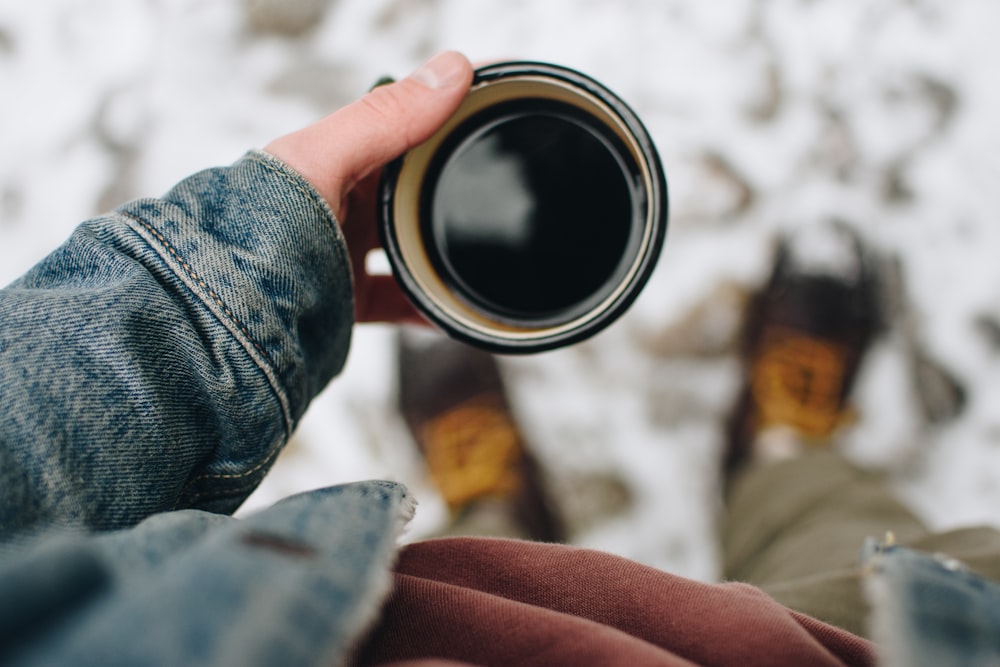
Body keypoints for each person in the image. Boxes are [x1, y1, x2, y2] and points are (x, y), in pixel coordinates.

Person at [0, 50, 998, 666]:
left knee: (480, 553)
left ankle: (503, 505)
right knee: (858, 543)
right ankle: (785, 458)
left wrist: (219, 297)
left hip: (407, 625)